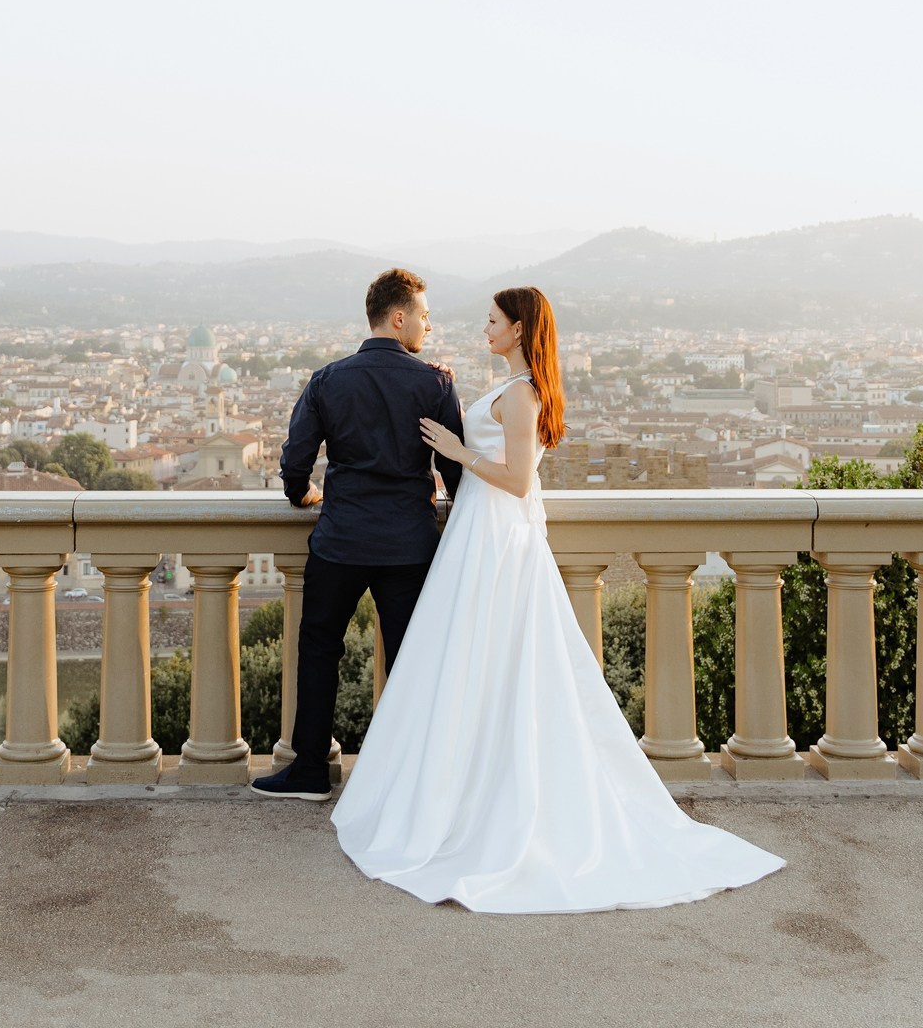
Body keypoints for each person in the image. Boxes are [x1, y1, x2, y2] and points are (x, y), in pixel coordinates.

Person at [329, 285, 784, 912]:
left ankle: (465, 801)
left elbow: (519, 481)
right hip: (480, 535)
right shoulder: (514, 388)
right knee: (479, 665)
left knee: (483, 663)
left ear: (518, 329)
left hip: (493, 538)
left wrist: (458, 452)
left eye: (492, 321)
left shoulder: (519, 394)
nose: (483, 329)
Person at [252, 267, 469, 801]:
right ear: (399, 318)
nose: (428, 325)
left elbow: (295, 463)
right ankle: (409, 776)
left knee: (320, 649)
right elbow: (457, 470)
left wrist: (304, 496)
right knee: (410, 659)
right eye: (423, 315)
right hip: (409, 544)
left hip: (341, 540)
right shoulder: (434, 383)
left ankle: (308, 772)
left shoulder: (329, 380)